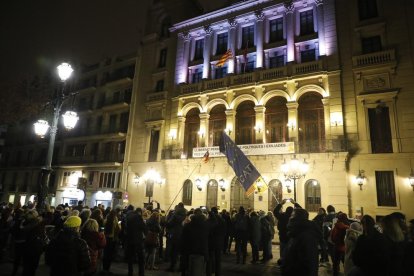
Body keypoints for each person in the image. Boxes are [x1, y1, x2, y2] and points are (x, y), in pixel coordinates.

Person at [282, 208, 321, 276]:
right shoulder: (296, 233)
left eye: (292, 215)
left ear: (297, 218)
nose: (289, 217)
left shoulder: (306, 235)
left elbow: (309, 263)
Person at [181, 208, 209, 276]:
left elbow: (183, 239)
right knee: (198, 271)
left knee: (187, 269)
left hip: (188, 251)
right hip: (200, 252)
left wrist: (181, 250)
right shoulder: (205, 226)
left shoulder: (188, 225)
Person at [273, 199, 299, 265]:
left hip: (283, 237)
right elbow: (302, 211)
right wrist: (295, 203)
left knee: (283, 251)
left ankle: (283, 262)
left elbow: (275, 211)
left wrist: (281, 203)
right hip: (292, 238)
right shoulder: (294, 217)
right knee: (292, 252)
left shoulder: (282, 216)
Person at [21, 209, 44, 276]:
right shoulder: (36, 223)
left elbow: (24, 230)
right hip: (34, 248)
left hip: (31, 247)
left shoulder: (31, 223)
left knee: (28, 266)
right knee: (31, 266)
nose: (28, 215)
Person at [124, 207, 147, 276]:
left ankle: (130, 272)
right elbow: (144, 228)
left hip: (129, 240)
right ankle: (141, 273)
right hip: (138, 241)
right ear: (139, 212)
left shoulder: (128, 217)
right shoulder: (139, 217)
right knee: (141, 258)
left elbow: (126, 227)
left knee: (130, 258)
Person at [166, 202, 187, 272]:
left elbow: (169, 224)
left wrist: (165, 220)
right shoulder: (184, 214)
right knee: (178, 252)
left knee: (173, 251)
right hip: (180, 235)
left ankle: (172, 266)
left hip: (173, 234)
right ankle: (179, 267)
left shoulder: (175, 215)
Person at [206, 207, 225, 276]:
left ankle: (210, 272)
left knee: (210, 258)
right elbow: (224, 231)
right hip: (219, 241)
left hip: (211, 241)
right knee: (218, 259)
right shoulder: (222, 220)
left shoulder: (210, 220)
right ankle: (218, 273)